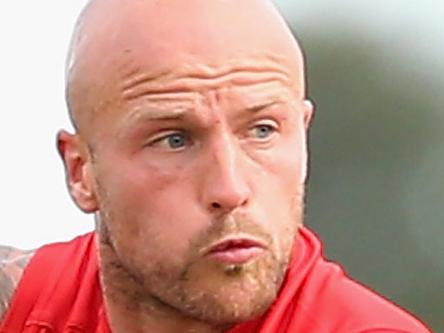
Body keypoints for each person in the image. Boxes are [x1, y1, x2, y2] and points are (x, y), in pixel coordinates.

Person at [0, 0, 432, 332]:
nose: (229, 189)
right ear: (81, 171)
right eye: (174, 139)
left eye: (262, 130)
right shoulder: (27, 306)